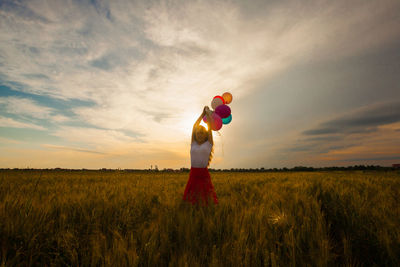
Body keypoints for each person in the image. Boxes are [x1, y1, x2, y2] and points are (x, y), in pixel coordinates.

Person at [182, 106, 218, 205]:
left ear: (206, 135)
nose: (200, 134)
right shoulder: (193, 143)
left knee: (206, 201)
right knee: (191, 201)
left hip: (203, 175)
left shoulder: (209, 144)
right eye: (198, 133)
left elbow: (209, 128)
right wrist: (202, 114)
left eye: (202, 133)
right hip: (193, 174)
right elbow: (194, 126)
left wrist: (208, 115)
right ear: (195, 134)